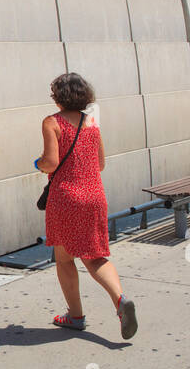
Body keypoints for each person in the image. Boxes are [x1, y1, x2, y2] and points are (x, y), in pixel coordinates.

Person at [36, 72, 137, 339]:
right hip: (94, 196)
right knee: (95, 256)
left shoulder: (52, 122)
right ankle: (120, 299)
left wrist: (38, 164)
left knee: (65, 259)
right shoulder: (91, 122)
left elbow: (51, 162)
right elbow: (100, 164)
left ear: (59, 98)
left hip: (67, 198)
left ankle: (76, 316)